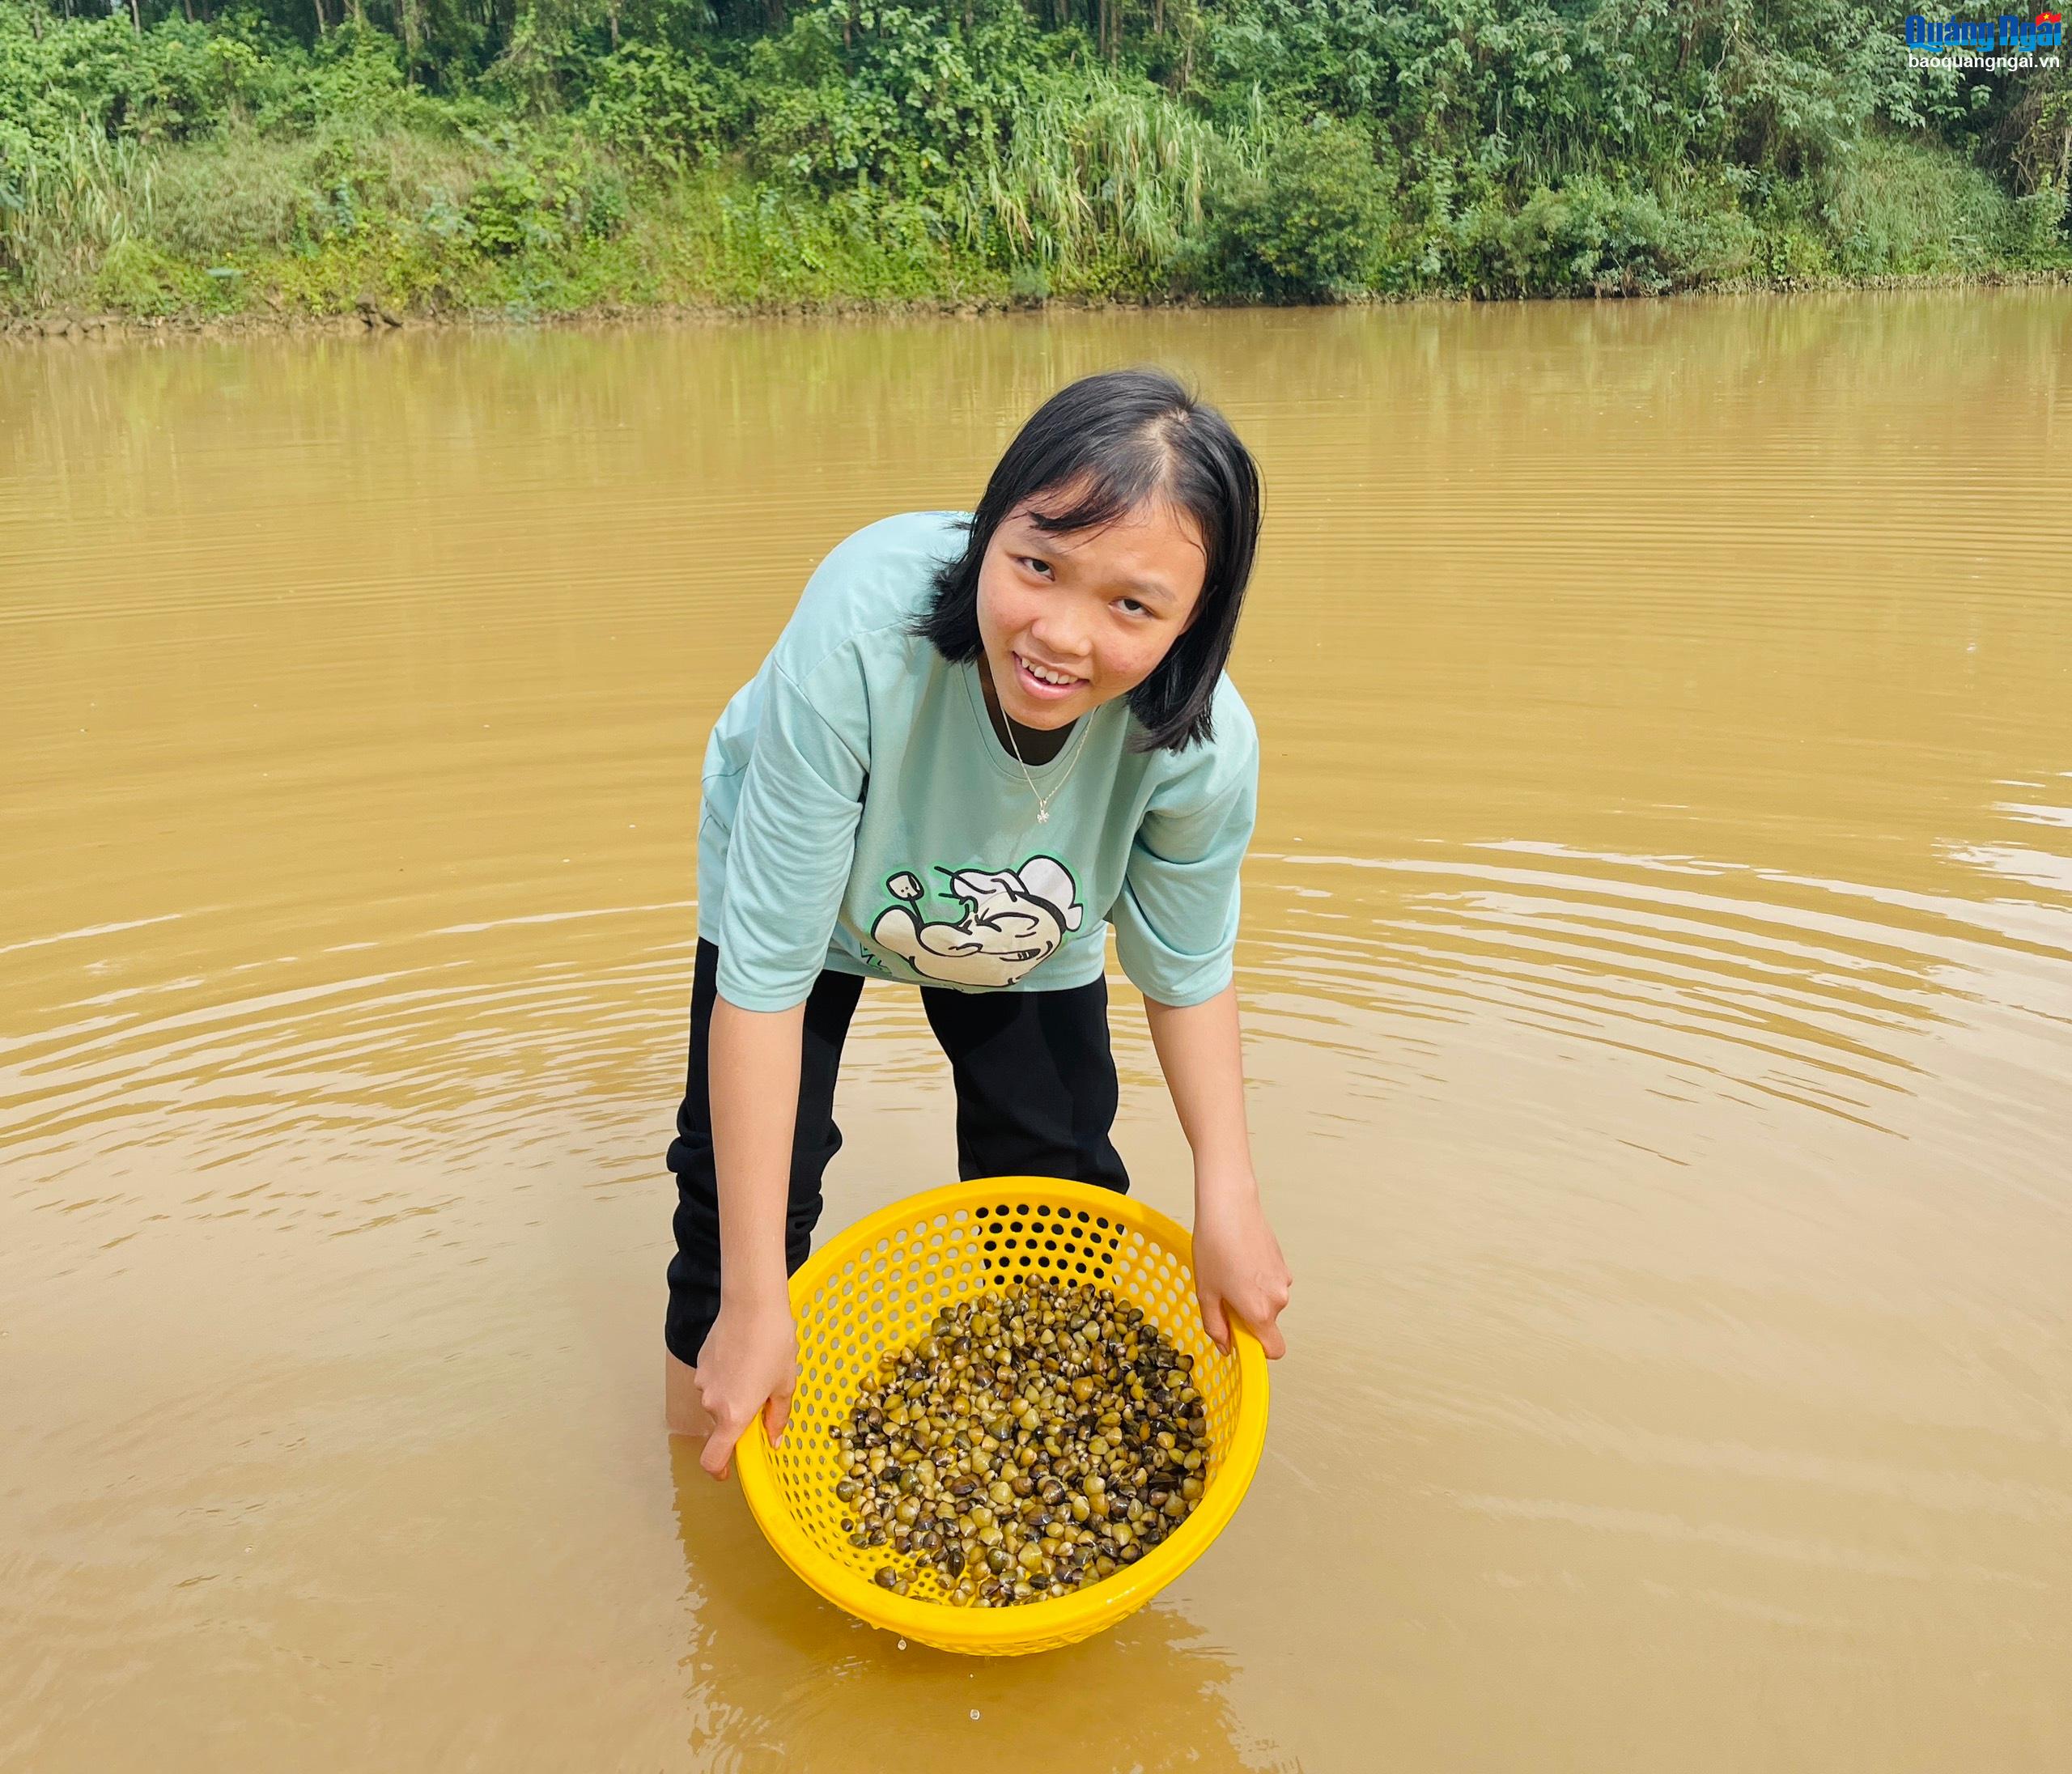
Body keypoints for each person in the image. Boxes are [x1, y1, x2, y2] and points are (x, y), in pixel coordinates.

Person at [664, 367, 1293, 1480]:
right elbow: (762, 982)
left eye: (1132, 606)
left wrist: (1227, 1195)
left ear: (1198, 623)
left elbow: (1188, 970)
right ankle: (706, 1453)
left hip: (1029, 911)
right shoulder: (862, 629)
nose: (1059, 636)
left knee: (1055, 1175)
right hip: (816, 890)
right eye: (1036, 565)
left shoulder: (1200, 745)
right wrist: (759, 1298)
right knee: (740, 1198)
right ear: (987, 530)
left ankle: (1040, 1439)